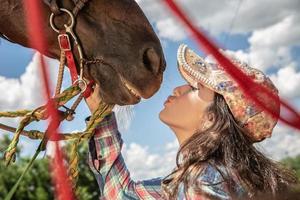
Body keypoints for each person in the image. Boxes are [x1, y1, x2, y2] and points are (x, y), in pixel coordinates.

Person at [85, 44, 298, 199]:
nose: (179, 89)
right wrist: (101, 115)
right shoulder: (201, 178)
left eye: (197, 88)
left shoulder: (206, 180)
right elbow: (121, 194)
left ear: (213, 117)